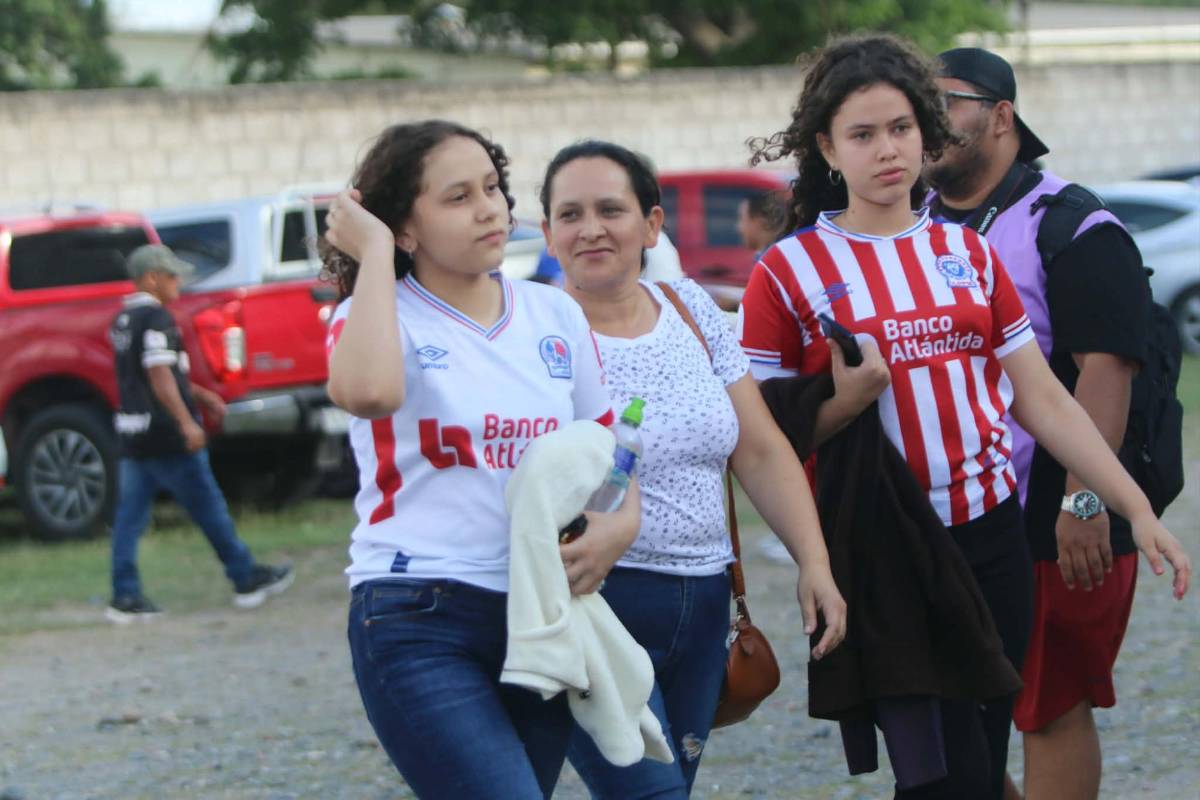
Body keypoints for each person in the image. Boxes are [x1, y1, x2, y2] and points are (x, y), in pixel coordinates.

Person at [738, 34, 1190, 800]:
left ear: (925, 131)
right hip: (884, 549)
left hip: (993, 539)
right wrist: (815, 544)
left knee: (980, 756)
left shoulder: (967, 253)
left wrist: (1132, 507)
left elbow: (1042, 398)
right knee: (941, 777)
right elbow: (760, 442)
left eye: (902, 127)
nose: (888, 149)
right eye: (863, 134)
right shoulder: (787, 270)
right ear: (828, 148)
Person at [321, 120, 635, 799]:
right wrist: (373, 252)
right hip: (417, 611)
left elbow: (610, 450)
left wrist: (619, 523)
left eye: (492, 187)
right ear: (406, 229)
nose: (489, 208)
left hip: (539, 609)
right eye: (458, 197)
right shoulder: (374, 315)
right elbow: (369, 394)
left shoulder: (554, 314)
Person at [540, 139, 847, 798]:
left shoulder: (690, 309)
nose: (590, 229)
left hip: (707, 602)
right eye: (570, 214)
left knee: (671, 785)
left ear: (652, 224)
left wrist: (814, 562)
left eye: (610, 210)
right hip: (597, 606)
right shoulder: (535, 333)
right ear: (547, 233)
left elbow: (760, 450)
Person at [924, 47, 1184, 800]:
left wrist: (1084, 500)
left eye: (946, 103)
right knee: (946, 715)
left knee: (1048, 706)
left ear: (1002, 116)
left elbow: (1108, 371)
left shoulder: (1072, 224)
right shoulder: (914, 225)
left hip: (1057, 511)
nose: (926, 123)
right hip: (953, 509)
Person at [107, 244, 293, 622]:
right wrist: (186, 422)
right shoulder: (157, 318)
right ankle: (245, 577)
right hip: (166, 435)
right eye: (172, 276)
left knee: (129, 518)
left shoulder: (123, 320)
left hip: (133, 433)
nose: (179, 282)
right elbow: (159, 375)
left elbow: (150, 375)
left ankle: (124, 595)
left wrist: (199, 393)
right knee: (208, 507)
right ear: (152, 279)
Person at [736, 190, 788, 255]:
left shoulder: (776, 258)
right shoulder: (785, 252)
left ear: (759, 221)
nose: (738, 228)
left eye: (741, 218)